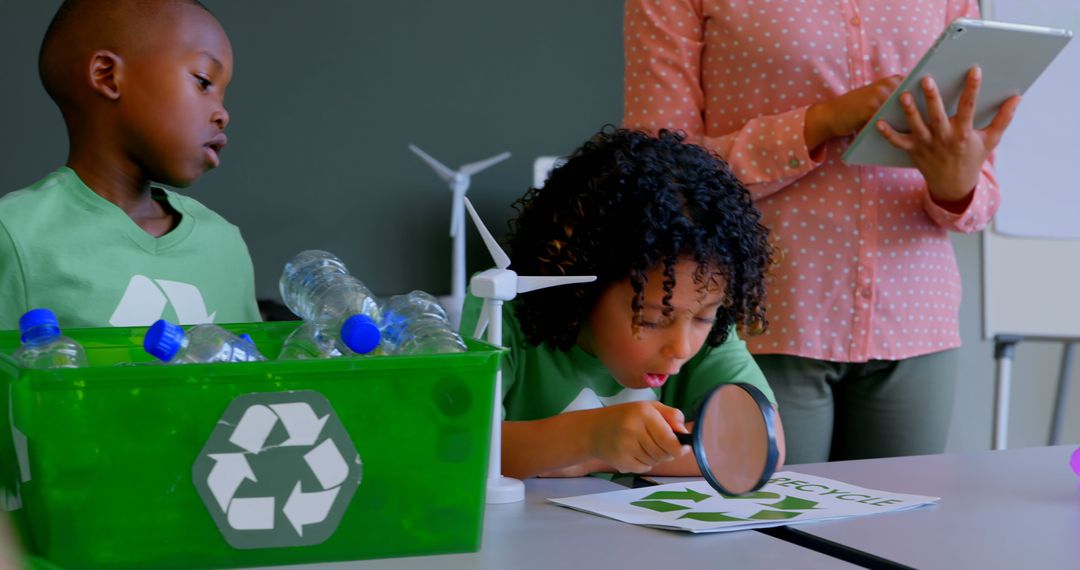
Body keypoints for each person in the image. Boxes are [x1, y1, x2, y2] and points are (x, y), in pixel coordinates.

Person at [623, 0, 1019, 463]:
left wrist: (957, 185)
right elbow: (657, 172)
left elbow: (979, 194)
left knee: (905, 511)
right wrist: (820, 123)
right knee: (770, 507)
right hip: (767, 320)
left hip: (916, 321)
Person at [461, 127, 785, 479]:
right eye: (651, 320)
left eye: (704, 318)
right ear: (579, 285)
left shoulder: (703, 319)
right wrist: (590, 435)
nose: (681, 347)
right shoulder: (500, 309)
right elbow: (464, 446)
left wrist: (595, 457)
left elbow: (762, 444)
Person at [0, 0, 260, 331]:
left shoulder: (224, 246)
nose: (222, 114)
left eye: (222, 95)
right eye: (203, 81)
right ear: (108, 76)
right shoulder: (16, 234)